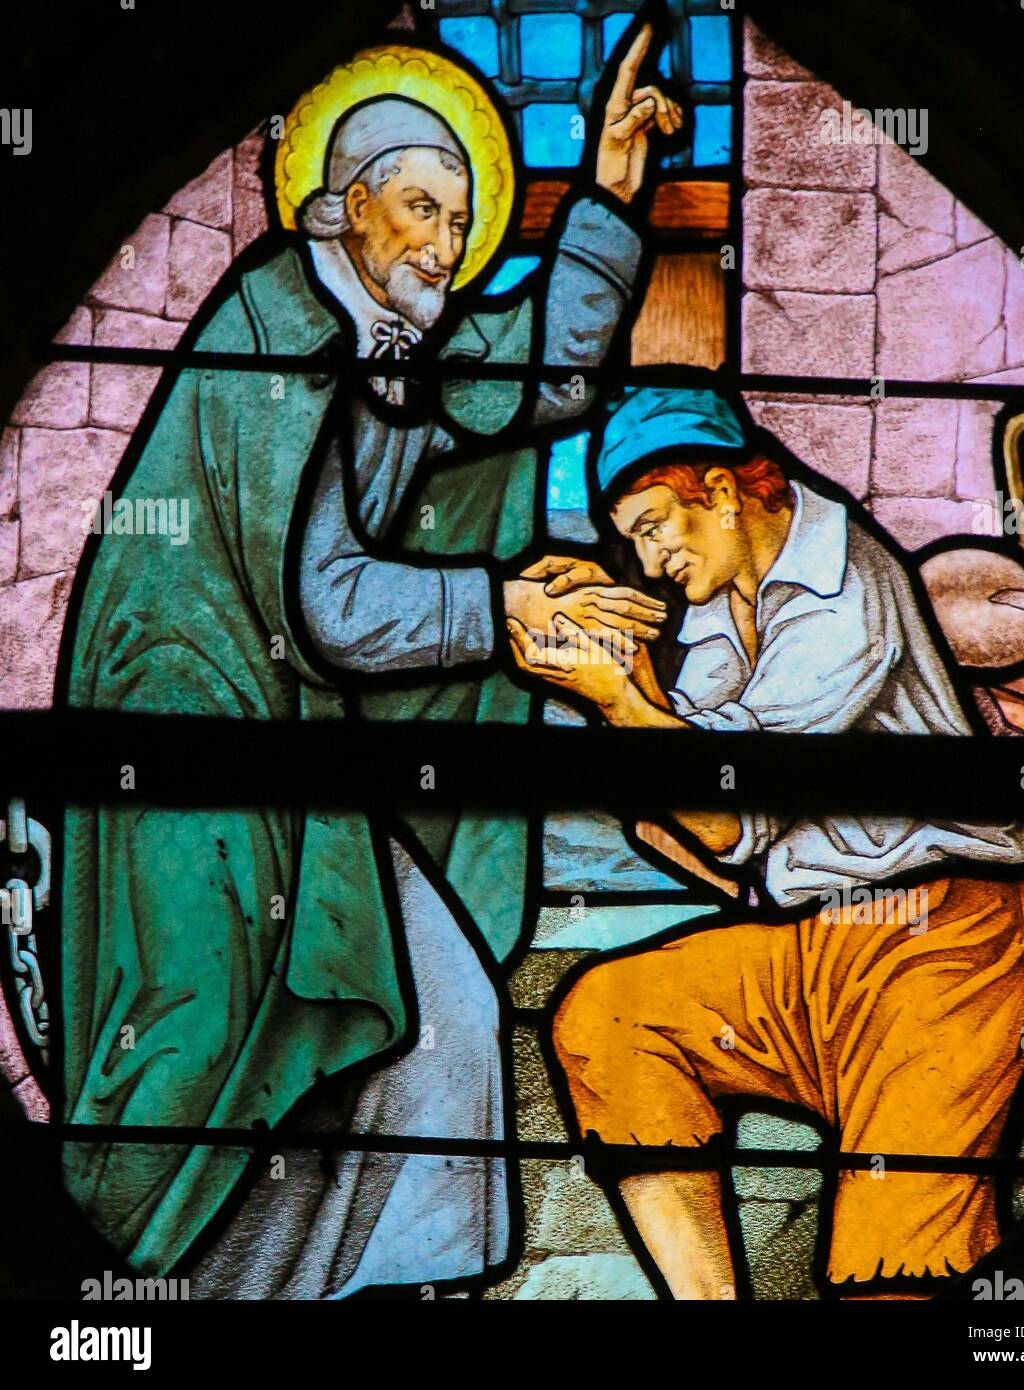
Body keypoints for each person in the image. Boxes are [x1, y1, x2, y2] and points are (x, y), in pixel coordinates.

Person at [59, 30, 677, 1296]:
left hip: (296, 753)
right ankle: (164, 1292)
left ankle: (388, 1282)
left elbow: (533, 377)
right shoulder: (278, 333)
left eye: (460, 217)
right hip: (192, 739)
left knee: (432, 1010)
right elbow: (329, 607)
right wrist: (505, 609)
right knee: (196, 1058)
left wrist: (611, 198)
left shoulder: (391, 337)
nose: (447, 244)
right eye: (421, 209)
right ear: (339, 209)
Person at [507, 385, 1024, 1299]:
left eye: (652, 526)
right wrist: (624, 659)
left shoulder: (845, 587)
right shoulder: (725, 597)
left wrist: (612, 698)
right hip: (806, 949)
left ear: (721, 490)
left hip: (943, 950)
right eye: (632, 542)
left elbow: (721, 808)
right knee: (611, 1017)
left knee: (892, 1272)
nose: (647, 559)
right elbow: (693, 822)